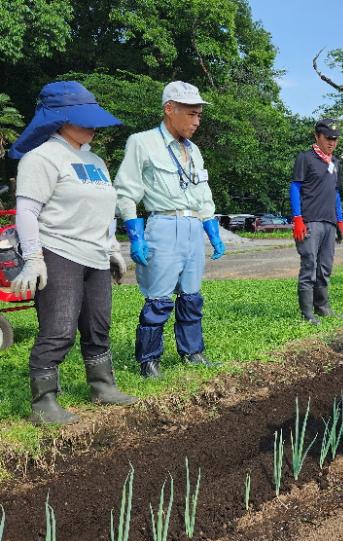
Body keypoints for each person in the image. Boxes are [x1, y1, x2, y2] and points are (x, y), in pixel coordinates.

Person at [9, 81, 136, 424]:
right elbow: (27, 211)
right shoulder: (42, 158)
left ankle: (102, 385)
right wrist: (34, 258)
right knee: (59, 328)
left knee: (98, 325)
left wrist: (112, 248)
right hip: (58, 251)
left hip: (95, 254)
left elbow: (104, 208)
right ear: (59, 120)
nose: (92, 125)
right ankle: (44, 401)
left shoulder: (95, 161)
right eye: (83, 119)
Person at [114, 81, 226, 379]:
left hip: (192, 228)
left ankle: (193, 352)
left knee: (191, 296)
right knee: (159, 298)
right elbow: (127, 191)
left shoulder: (196, 151)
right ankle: (149, 360)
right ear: (169, 109)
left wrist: (212, 230)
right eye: (191, 114)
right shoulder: (142, 143)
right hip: (163, 223)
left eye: (199, 114)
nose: (196, 121)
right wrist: (135, 235)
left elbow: (203, 193)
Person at [288, 118, 343, 324]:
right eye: (328, 138)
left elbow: (336, 193)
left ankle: (322, 307)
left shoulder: (335, 163)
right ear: (317, 136)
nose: (332, 142)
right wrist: (298, 219)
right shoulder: (305, 158)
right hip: (310, 221)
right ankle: (307, 313)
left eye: (335, 139)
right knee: (309, 266)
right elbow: (295, 187)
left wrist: (340, 220)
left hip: (329, 222)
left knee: (325, 267)